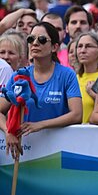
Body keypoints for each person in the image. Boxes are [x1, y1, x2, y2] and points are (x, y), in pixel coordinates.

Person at [0, 22, 82, 158]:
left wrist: (40, 125)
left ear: (55, 47)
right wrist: (8, 131)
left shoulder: (67, 74)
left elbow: (77, 115)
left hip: (60, 151)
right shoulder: (19, 76)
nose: (35, 43)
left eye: (42, 39)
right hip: (26, 151)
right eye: (31, 39)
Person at [71, 30, 98, 123]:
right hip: (73, 134)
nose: (83, 50)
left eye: (88, 46)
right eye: (80, 46)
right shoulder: (72, 78)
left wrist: (94, 95)